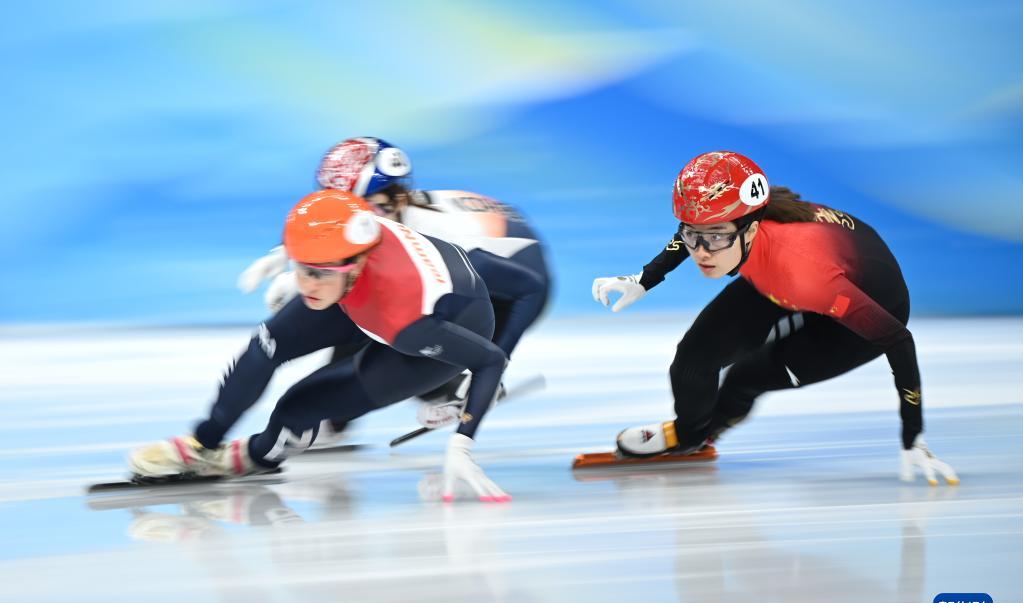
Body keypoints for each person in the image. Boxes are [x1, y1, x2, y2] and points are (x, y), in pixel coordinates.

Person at [592, 150, 958, 485]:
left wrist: (913, 434)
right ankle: (688, 436)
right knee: (693, 359)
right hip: (791, 272)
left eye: (715, 237)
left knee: (746, 377)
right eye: (694, 235)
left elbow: (898, 339)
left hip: (853, 310)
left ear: (750, 228)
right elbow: (697, 229)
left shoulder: (805, 273)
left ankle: (704, 431)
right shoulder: (738, 226)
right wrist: (645, 279)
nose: (701, 252)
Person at [130, 189, 511, 502]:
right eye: (301, 269)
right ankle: (202, 445)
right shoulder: (350, 236)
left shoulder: (403, 319)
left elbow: (491, 360)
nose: (306, 285)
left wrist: (462, 445)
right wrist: (292, 256)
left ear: (356, 264)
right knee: (265, 346)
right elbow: (328, 225)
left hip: (442, 329)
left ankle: (254, 457)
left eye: (317, 272)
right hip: (369, 294)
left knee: (299, 405)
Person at [238, 137, 551, 425]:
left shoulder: (441, 237)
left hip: (519, 279)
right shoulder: (385, 215)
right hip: (487, 252)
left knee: (408, 331)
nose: (345, 220)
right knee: (362, 309)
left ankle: (441, 388)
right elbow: (336, 232)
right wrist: (288, 256)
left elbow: (531, 289)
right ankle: (425, 391)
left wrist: (496, 364)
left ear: (392, 201)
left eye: (357, 209)